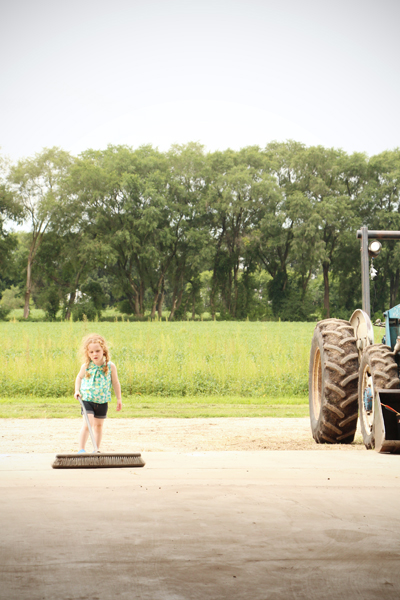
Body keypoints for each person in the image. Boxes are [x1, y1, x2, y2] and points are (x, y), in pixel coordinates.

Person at [74, 333, 122, 453]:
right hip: (87, 399)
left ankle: (96, 449)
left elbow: (116, 383)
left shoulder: (110, 366)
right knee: (88, 423)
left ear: (103, 351)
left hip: (102, 401)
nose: (94, 354)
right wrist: (77, 390)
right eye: (91, 352)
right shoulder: (86, 366)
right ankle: (81, 449)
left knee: (99, 426)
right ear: (87, 353)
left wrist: (119, 399)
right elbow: (79, 378)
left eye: (97, 351)